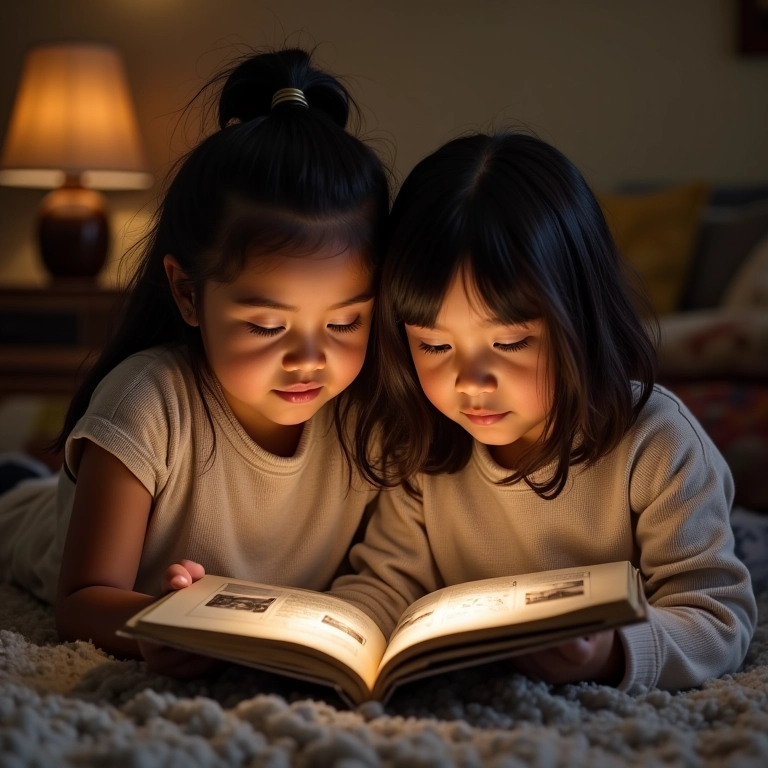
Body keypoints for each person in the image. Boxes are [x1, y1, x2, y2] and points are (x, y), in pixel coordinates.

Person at [0, 47, 389, 676]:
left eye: (346, 322)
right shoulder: (146, 402)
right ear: (187, 293)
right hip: (25, 525)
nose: (310, 359)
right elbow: (79, 601)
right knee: (17, 496)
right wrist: (159, 620)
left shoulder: (371, 417)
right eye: (267, 325)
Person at [331, 131, 758, 692]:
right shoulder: (423, 446)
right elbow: (385, 582)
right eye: (434, 347)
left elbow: (717, 617)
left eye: (510, 344)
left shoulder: (656, 443)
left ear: (579, 316)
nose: (470, 382)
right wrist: (333, 636)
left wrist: (610, 653)